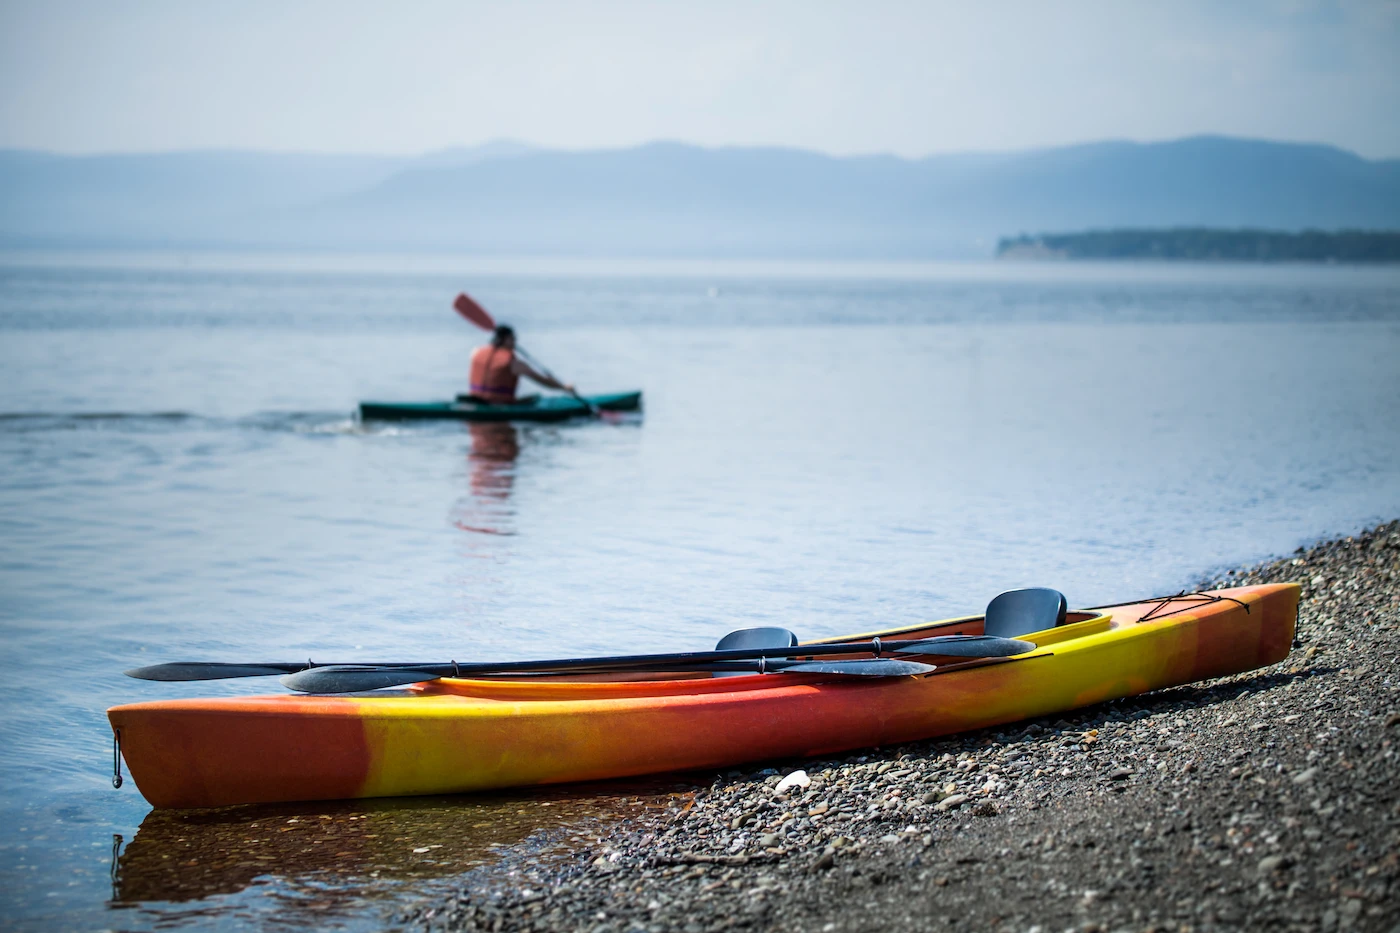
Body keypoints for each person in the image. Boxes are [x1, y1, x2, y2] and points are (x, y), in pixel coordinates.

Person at [466, 325, 574, 404]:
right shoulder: (513, 363)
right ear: (506, 340)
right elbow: (542, 381)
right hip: (500, 404)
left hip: (475, 401)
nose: (515, 342)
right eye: (513, 339)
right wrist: (564, 387)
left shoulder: (476, 352)